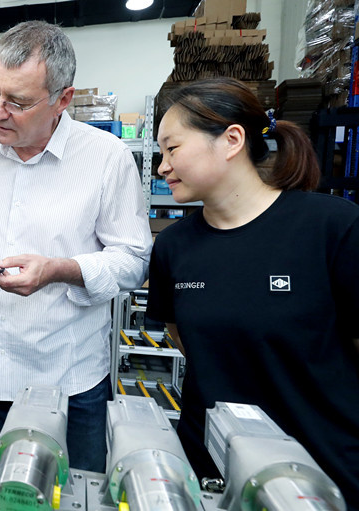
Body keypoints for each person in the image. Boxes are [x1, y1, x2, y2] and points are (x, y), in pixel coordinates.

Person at [0, 21, 152, 472]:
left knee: (71, 492)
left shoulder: (106, 159)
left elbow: (132, 261)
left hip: (71, 382)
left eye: (18, 102)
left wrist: (57, 270)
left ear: (63, 99)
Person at [147, 77, 359, 506]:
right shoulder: (174, 246)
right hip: (212, 476)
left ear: (231, 140)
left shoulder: (331, 227)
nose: (161, 167)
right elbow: (185, 339)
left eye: (172, 149)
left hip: (321, 478)